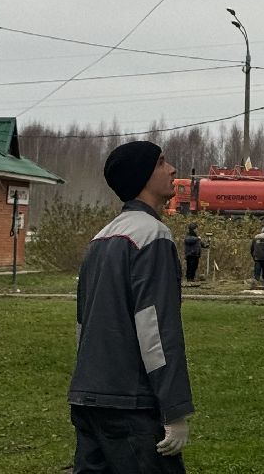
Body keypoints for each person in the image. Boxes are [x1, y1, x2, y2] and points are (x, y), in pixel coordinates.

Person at [69, 140, 193, 472]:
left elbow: (84, 325)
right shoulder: (153, 237)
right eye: (161, 163)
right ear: (142, 176)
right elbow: (156, 331)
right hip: (130, 407)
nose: (172, 170)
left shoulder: (100, 239)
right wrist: (175, 410)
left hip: (87, 399)